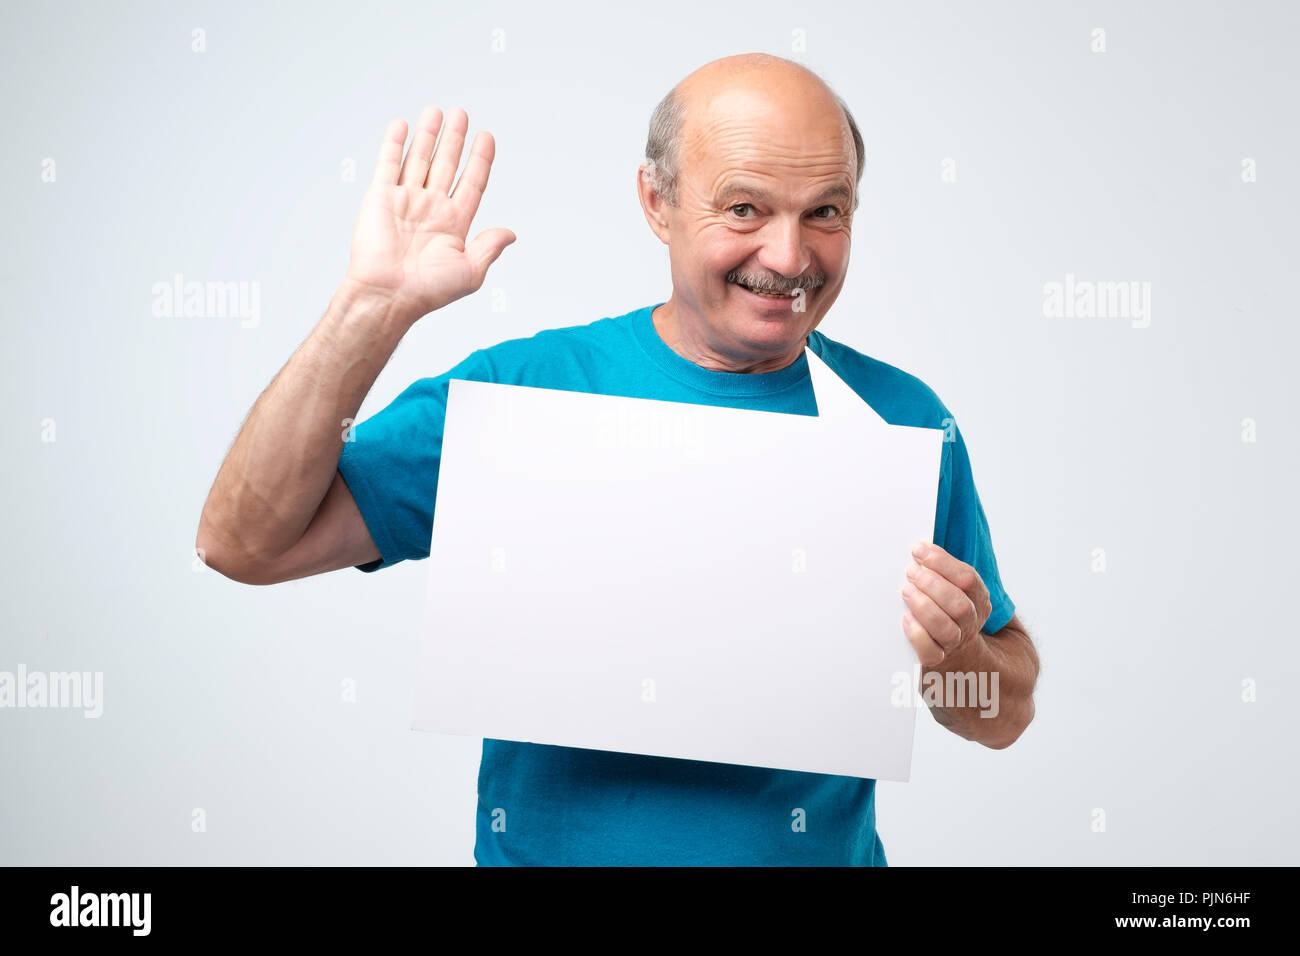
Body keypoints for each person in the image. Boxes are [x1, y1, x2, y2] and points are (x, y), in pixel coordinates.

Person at [196, 53, 1040, 866]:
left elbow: (1004, 712)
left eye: (826, 211)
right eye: (744, 209)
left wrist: (958, 661)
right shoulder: (525, 394)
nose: (789, 258)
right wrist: (369, 308)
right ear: (656, 202)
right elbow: (245, 545)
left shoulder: (903, 422)